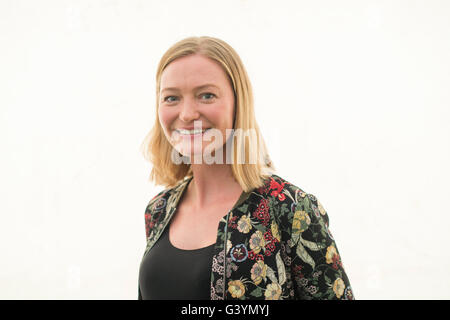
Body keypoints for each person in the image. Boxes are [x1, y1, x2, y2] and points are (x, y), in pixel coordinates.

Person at [137, 36, 354, 300]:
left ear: (238, 103)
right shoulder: (158, 210)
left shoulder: (290, 207)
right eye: (171, 98)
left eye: (206, 95)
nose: (187, 114)